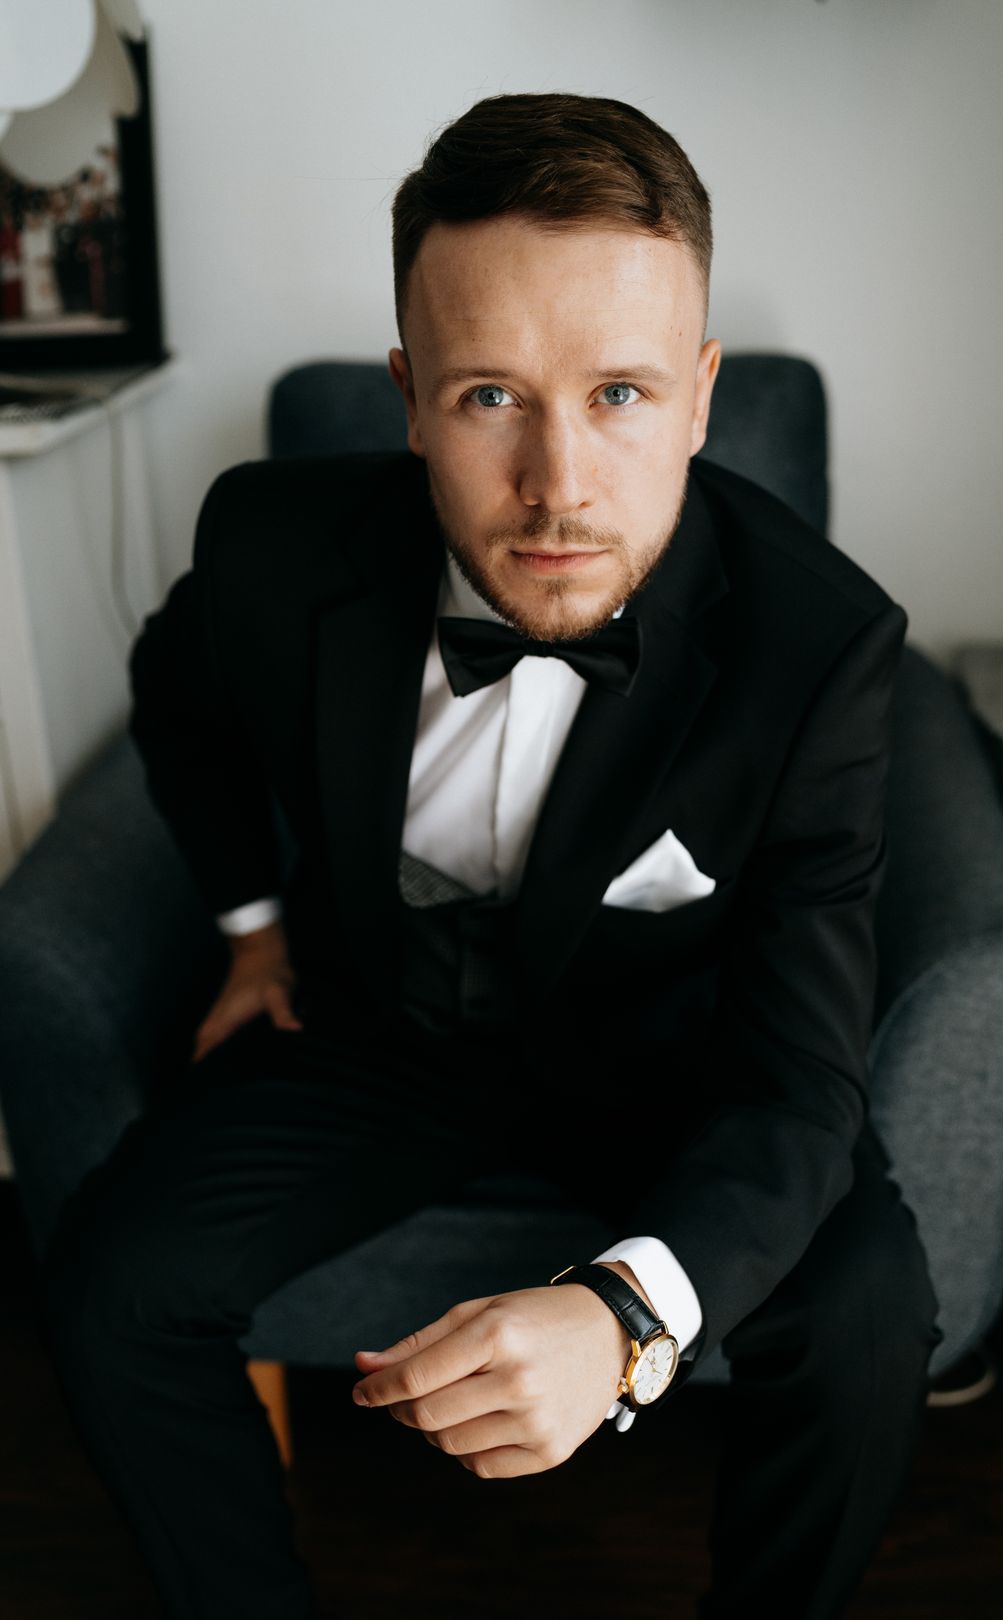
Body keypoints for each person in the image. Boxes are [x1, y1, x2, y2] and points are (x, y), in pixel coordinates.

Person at [39, 91, 943, 1620]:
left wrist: (627, 1316)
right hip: (376, 1021)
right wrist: (252, 926)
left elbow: (802, 1081)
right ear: (409, 396)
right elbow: (175, 698)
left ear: (702, 396)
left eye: (620, 393)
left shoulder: (819, 648)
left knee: (865, 1314)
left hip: (672, 1059)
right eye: (488, 398)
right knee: (108, 1286)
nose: (559, 485)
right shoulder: (271, 543)